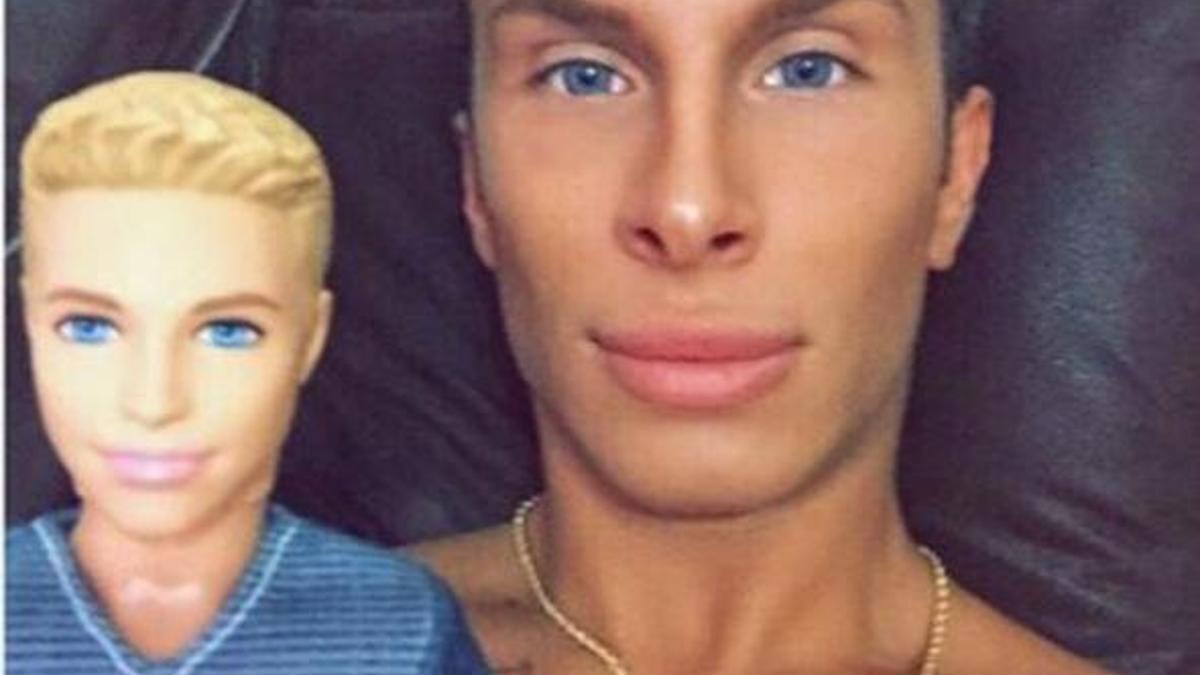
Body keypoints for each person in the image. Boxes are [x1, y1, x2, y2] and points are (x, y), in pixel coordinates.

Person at [413, 0, 1116, 673]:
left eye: (809, 70)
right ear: (477, 184)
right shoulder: (354, 637)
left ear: (956, 172)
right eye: (584, 76)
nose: (688, 211)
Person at [7, 71, 490, 675]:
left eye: (227, 332)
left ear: (310, 337)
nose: (154, 400)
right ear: (30, 322)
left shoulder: (395, 627)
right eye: (89, 327)